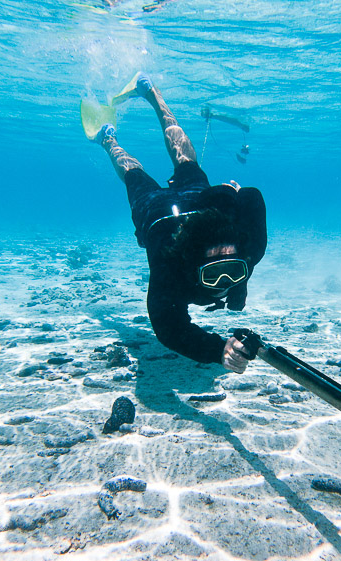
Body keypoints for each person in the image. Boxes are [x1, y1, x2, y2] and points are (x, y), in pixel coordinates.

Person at [90, 75, 266, 373]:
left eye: (234, 271)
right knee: (134, 175)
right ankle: (108, 139)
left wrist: (232, 197)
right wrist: (216, 349)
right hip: (156, 214)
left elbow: (252, 198)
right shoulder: (170, 265)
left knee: (188, 161)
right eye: (215, 274)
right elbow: (167, 326)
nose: (225, 282)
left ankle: (152, 93)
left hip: (198, 201)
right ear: (192, 264)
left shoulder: (249, 249)